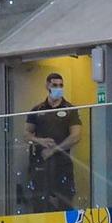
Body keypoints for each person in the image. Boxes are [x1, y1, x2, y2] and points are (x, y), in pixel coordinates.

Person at [24, 72, 83, 211]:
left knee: (65, 200)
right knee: (39, 201)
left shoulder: (70, 110)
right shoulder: (37, 109)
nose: (58, 88)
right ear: (47, 86)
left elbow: (76, 135)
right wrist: (39, 140)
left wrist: (54, 149)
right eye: (55, 85)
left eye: (61, 85)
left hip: (62, 163)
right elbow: (26, 134)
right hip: (40, 163)